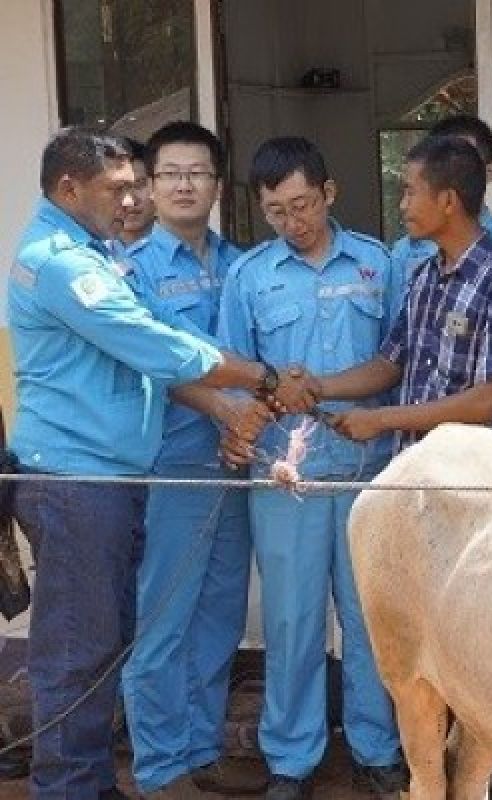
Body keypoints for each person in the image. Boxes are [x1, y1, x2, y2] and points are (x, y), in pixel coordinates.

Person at [6, 128, 306, 800]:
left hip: (105, 480)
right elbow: (151, 342)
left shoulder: (96, 254)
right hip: (75, 480)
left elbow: (172, 331)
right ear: (69, 189)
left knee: (102, 639)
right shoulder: (62, 265)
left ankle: (87, 780)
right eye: (121, 188)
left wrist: (243, 394)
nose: (136, 198)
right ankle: (70, 787)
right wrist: (257, 379)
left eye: (136, 184)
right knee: (77, 648)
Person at [216, 136, 406, 800]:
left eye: (301, 205)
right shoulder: (250, 276)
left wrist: (319, 386)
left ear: (329, 194)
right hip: (283, 479)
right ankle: (291, 759)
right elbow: (230, 373)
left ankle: (377, 748)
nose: (291, 222)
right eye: (275, 211)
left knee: (370, 617)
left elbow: (397, 362)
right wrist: (262, 406)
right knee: (292, 621)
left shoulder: (381, 266)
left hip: (367, 474)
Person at [120, 121, 268, 799]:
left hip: (237, 462)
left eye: (197, 173)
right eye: (170, 173)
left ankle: (202, 748)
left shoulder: (241, 264)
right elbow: (155, 364)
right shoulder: (132, 270)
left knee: (219, 610)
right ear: (149, 186)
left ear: (217, 184)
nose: (184, 184)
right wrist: (224, 412)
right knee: (165, 613)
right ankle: (159, 766)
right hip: (173, 461)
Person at [284, 134, 492, 469]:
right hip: (419, 475)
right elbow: (389, 364)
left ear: (447, 201)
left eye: (409, 192)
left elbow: (486, 402)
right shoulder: (425, 276)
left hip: (476, 484)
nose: (402, 206)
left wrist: (383, 419)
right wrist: (318, 387)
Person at [391, 114, 492, 283]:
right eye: (440, 165)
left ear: (489, 173)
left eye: (464, 163)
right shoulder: (405, 251)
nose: (449, 174)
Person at [115, 137, 155, 246]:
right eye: (119, 188)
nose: (129, 200)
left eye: (139, 185)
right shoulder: (89, 254)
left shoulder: (186, 248)